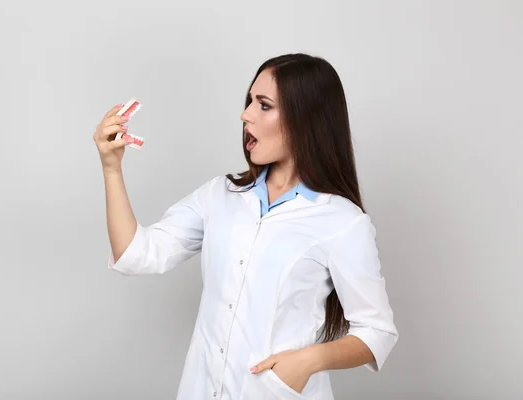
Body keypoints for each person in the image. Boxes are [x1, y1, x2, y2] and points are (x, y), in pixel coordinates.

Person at [92, 53, 399, 400]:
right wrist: (111, 169)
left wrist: (308, 360)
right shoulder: (220, 195)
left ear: (305, 120)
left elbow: (377, 331)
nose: (246, 114)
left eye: (264, 105)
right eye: (250, 101)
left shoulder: (342, 222)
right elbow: (135, 255)